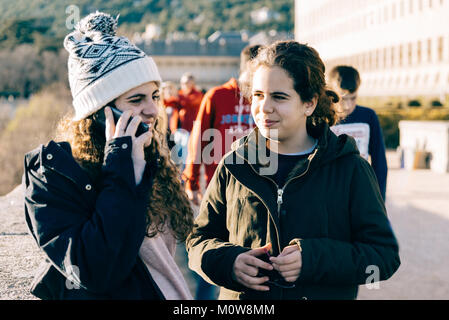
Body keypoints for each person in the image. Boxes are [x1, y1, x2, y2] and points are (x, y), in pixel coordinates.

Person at [186, 40, 400, 300]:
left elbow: (384, 257)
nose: (264, 107)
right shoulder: (233, 165)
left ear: (309, 103)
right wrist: (228, 262)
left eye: (279, 97)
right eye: (258, 95)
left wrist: (313, 259)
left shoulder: (351, 169)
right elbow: (198, 241)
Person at [23, 11, 194, 300]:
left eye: (154, 96)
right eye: (136, 100)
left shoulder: (152, 157)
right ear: (100, 113)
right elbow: (94, 269)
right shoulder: (53, 175)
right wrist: (120, 166)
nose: (153, 110)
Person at [182, 44, 262, 206]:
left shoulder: (265, 99)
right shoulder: (216, 96)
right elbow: (198, 140)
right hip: (220, 186)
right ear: (250, 67)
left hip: (259, 187)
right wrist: (192, 181)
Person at [328, 65, 388, 201]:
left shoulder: (368, 116)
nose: (348, 105)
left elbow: (380, 163)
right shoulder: (324, 118)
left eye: (353, 98)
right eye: (343, 99)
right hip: (331, 193)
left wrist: (380, 200)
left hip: (361, 190)